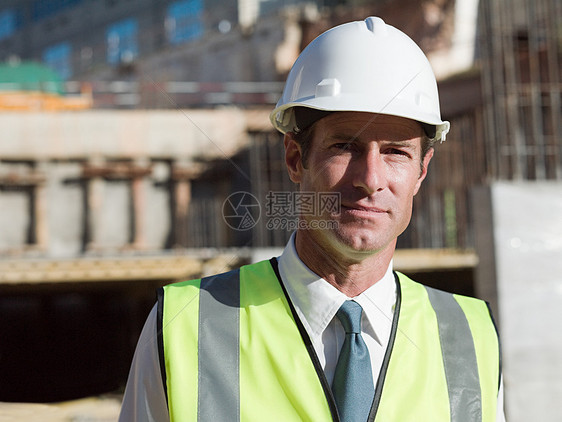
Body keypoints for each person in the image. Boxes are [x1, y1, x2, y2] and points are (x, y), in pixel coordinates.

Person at [119, 17, 505, 421]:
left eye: (395, 152)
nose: (370, 179)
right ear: (295, 158)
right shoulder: (184, 328)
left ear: (421, 172)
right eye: (344, 146)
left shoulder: (469, 339)